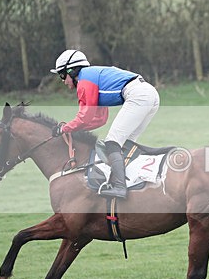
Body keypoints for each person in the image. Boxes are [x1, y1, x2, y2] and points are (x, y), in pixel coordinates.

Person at [50, 49, 160, 199]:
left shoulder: (85, 81)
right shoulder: (92, 77)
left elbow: (84, 117)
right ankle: (133, 183)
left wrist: (65, 128)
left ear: (72, 70)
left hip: (138, 95)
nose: (63, 81)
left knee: (112, 143)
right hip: (149, 94)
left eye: (62, 75)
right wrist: (74, 130)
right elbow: (100, 119)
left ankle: (119, 187)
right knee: (126, 145)